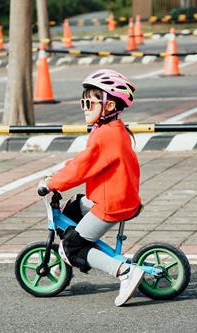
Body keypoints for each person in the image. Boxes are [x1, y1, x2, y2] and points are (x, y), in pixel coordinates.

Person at [46, 69, 143, 307]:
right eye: (83, 102)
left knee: (71, 246)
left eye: (89, 102)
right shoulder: (110, 130)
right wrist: (57, 175)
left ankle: (124, 272)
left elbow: (82, 167)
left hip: (112, 204)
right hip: (119, 197)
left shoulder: (105, 136)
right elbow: (84, 160)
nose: (84, 107)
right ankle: (80, 243)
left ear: (108, 106)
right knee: (75, 206)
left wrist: (52, 184)